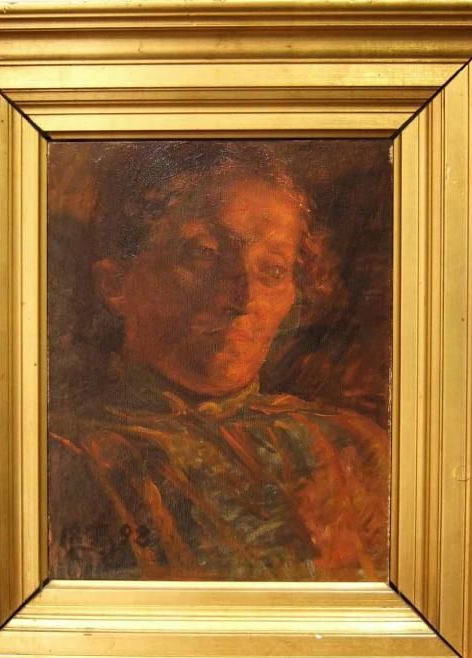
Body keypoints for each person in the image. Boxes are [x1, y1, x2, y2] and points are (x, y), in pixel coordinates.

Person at [48, 143, 389, 582]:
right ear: (115, 283)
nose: (243, 298)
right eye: (203, 254)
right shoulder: (65, 458)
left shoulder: (353, 450)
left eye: (272, 269)